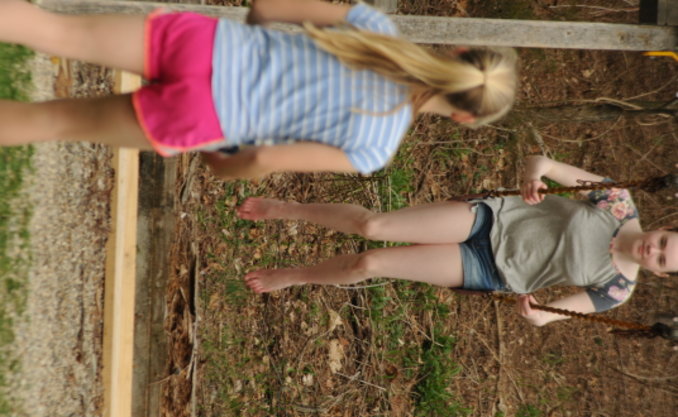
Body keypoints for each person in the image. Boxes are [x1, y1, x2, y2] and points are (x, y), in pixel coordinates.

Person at [0, 0, 517, 179]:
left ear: (458, 53)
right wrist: (223, 166)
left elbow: (267, 9)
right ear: (463, 117)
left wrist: (253, 46)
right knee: (55, 123)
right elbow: (265, 158)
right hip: (206, 116)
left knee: (57, 31)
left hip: (205, 46)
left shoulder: (376, 28)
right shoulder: (373, 149)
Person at [237, 155, 678, 326]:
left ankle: (295, 275)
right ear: (664, 228)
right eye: (663, 242)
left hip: (491, 270)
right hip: (492, 220)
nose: (653, 250)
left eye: (662, 259)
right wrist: (534, 177)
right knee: (374, 227)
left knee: (368, 264)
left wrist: (537, 313)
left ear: (660, 273)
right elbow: (542, 162)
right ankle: (286, 208)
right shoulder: (617, 202)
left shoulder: (617, 289)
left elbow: (551, 316)